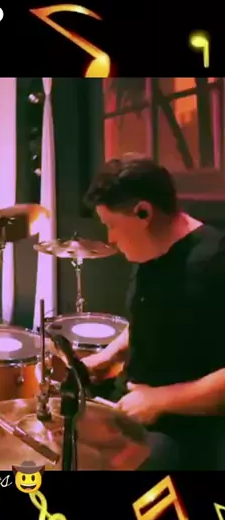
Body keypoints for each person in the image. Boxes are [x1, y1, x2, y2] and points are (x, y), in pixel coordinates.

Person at [82, 153, 225, 471]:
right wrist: (108, 356)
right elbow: (150, 318)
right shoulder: (149, 252)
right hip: (132, 403)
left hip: (183, 425)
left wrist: (160, 400)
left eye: (111, 226)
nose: (110, 239)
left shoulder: (216, 261)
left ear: (143, 212)